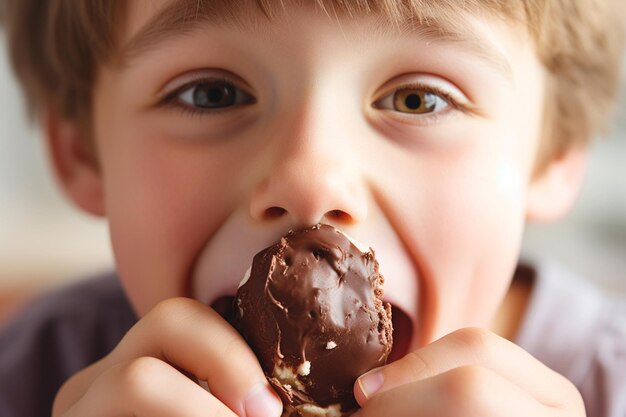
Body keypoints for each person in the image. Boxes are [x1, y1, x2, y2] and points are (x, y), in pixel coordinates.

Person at [0, 0, 625, 416]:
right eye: (212, 94)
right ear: (85, 152)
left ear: (555, 148)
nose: (310, 182)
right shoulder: (33, 373)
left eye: (417, 100)